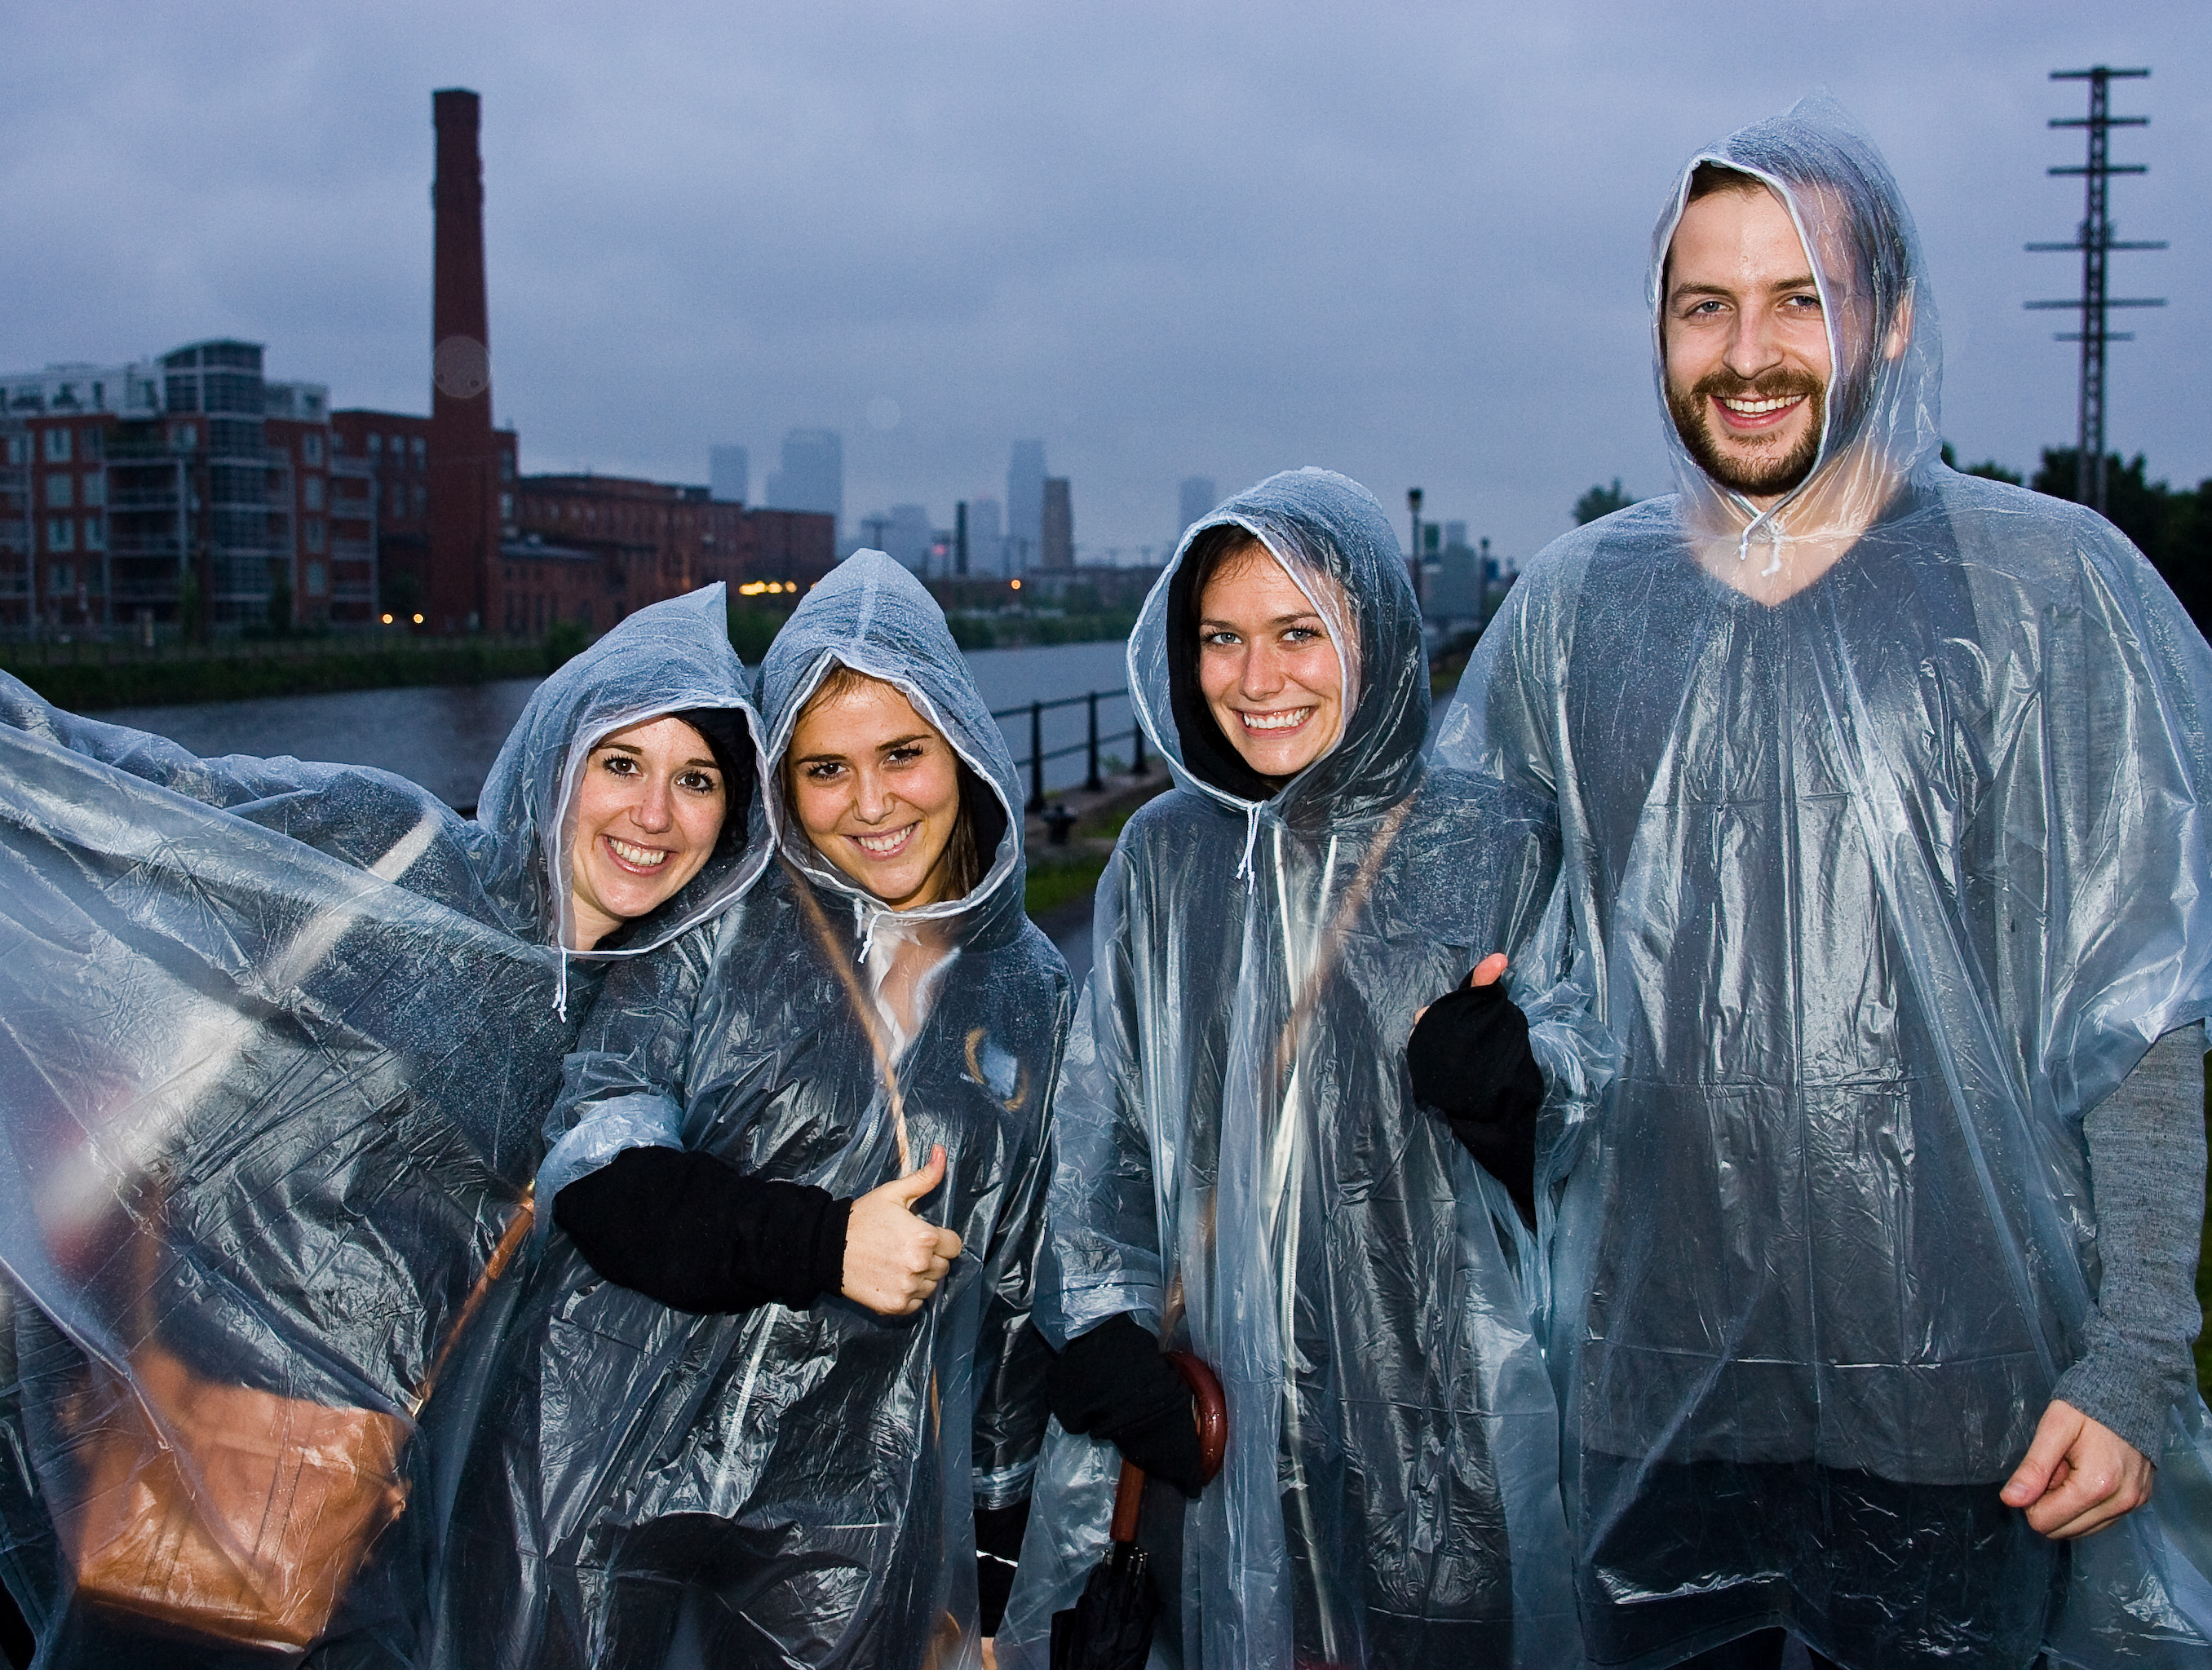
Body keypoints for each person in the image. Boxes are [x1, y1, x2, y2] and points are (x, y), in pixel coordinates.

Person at [1438, 96, 2212, 1670]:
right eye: (1703, 305)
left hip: (1968, 1399)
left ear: (1896, 318)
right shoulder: (1578, 611)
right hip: (1655, 1400)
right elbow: (1486, 946)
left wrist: (2136, 1352)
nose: (1748, 353)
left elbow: (2142, 1006)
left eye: (1802, 297)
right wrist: (1492, 1061)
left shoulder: (2043, 589)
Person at [0, 588, 770, 1666]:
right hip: (152, 1428)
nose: (652, 814)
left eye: (697, 781)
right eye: (621, 763)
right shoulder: (389, 847)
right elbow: (120, 795)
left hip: (362, 1523)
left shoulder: (644, 1029)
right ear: (557, 761)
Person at [999, 469, 1590, 1670]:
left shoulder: (1496, 843)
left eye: (1298, 632)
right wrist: (1105, 1334)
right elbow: (1103, 1130)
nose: (1256, 679)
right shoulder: (1167, 857)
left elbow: (1611, 1137)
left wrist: (1521, 1095)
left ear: (1375, 637)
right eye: (1221, 638)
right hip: (1214, 1435)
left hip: (1445, 1441)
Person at [436, 550, 1069, 1669]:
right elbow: (598, 1159)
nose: (870, 803)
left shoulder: (1030, 988)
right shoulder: (721, 916)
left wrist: (994, 1569)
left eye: (902, 754)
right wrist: (824, 1242)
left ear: (961, 747)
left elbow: (1016, 1298)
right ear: (782, 775)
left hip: (849, 1515)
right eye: (825, 768)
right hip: (592, 1459)